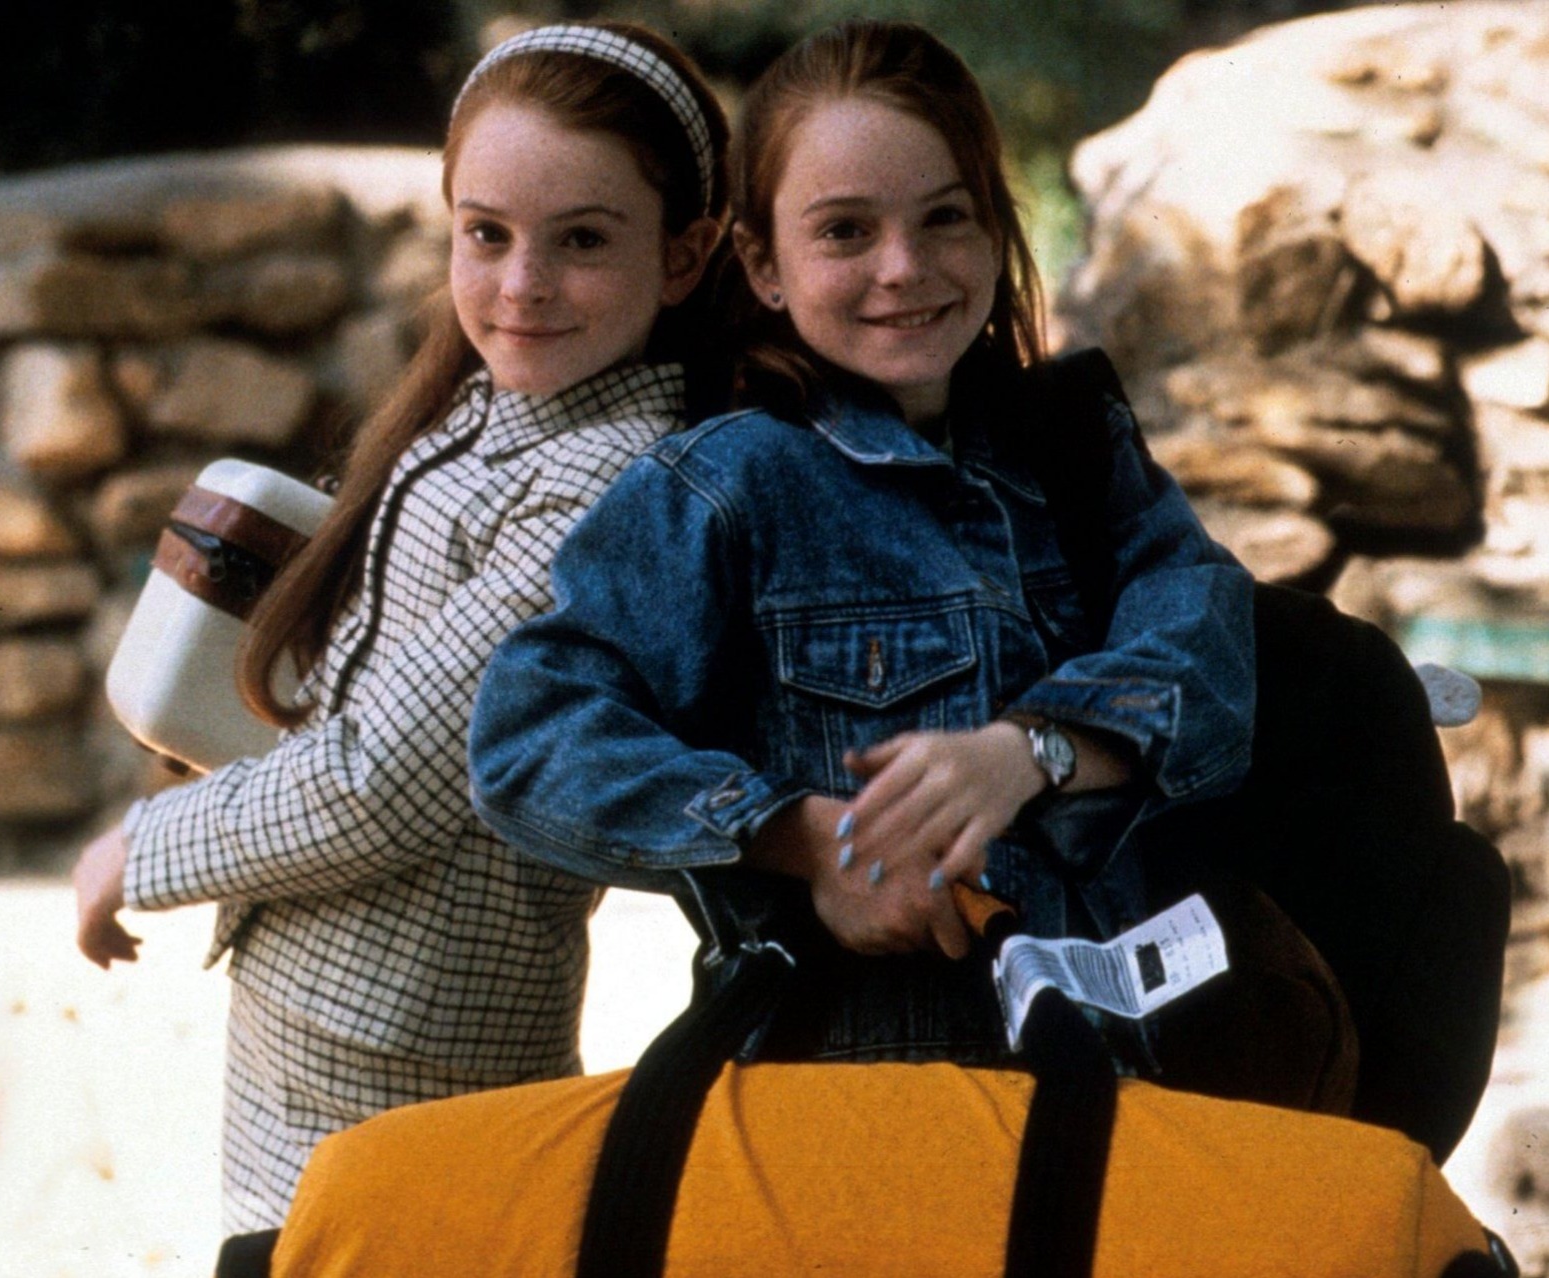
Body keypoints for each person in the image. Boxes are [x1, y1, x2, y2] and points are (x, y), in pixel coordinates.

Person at [468, 19, 1255, 1056]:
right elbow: (530, 737)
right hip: (848, 1088)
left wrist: (1031, 752)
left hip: (1122, 1074)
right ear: (762, 263)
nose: (902, 267)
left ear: (994, 230)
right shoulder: (727, 484)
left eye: (944, 218)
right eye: (844, 231)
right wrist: (806, 841)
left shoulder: (1074, 447)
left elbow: (1211, 649)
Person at [70, 20, 728, 1233]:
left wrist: (142, 848)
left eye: (583, 240)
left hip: (413, 1060)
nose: (521, 284)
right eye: (487, 234)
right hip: (325, 1032)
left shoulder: (604, 483)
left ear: (683, 256)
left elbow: (383, 783)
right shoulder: (488, 416)